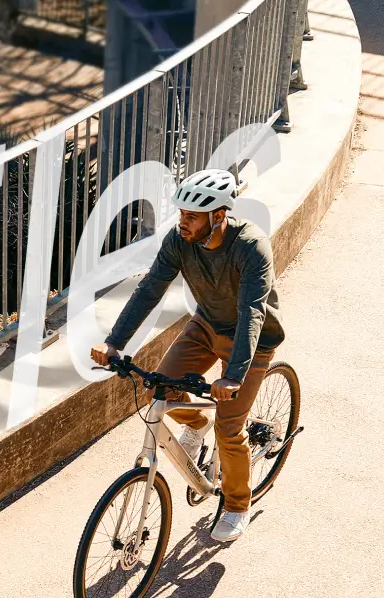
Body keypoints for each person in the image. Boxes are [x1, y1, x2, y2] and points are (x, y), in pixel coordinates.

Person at [90, 168, 284, 543]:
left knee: (230, 429)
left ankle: (236, 505)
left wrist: (234, 376)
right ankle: (197, 424)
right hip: (206, 326)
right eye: (182, 213)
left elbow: (251, 313)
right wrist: (115, 342)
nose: (183, 222)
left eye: (192, 216)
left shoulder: (251, 247)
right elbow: (150, 289)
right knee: (158, 391)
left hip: (252, 342)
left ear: (218, 215)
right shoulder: (180, 241)